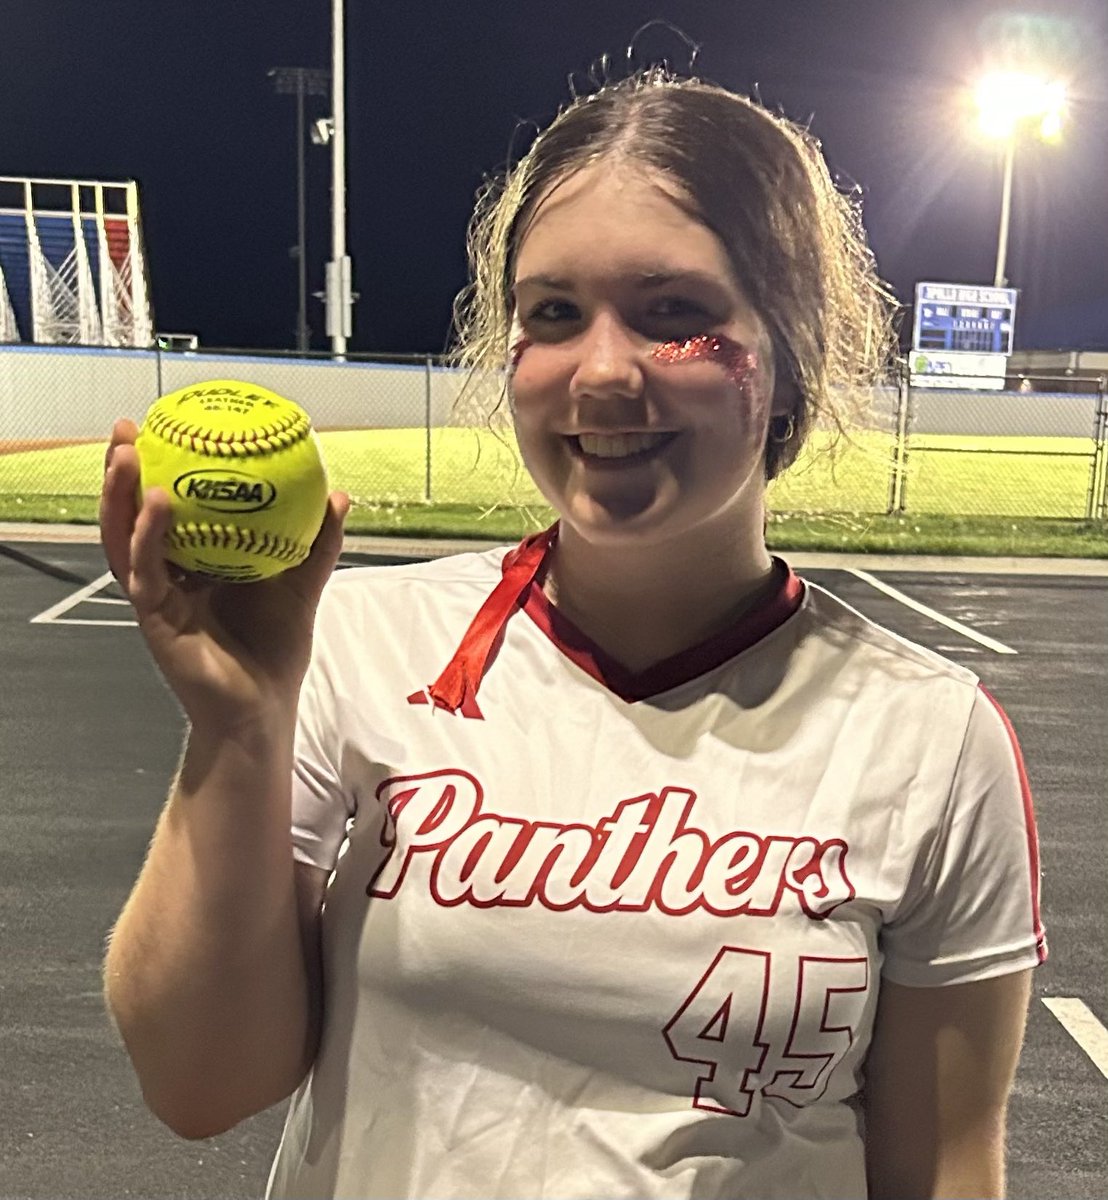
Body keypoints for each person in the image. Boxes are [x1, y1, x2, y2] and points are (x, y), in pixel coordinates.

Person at [100, 69, 1046, 1200]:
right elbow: (199, 1088)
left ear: (790, 352)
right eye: (552, 315)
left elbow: (941, 1163)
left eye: (674, 314)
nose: (600, 371)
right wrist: (237, 731)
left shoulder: (930, 738)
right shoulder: (355, 645)